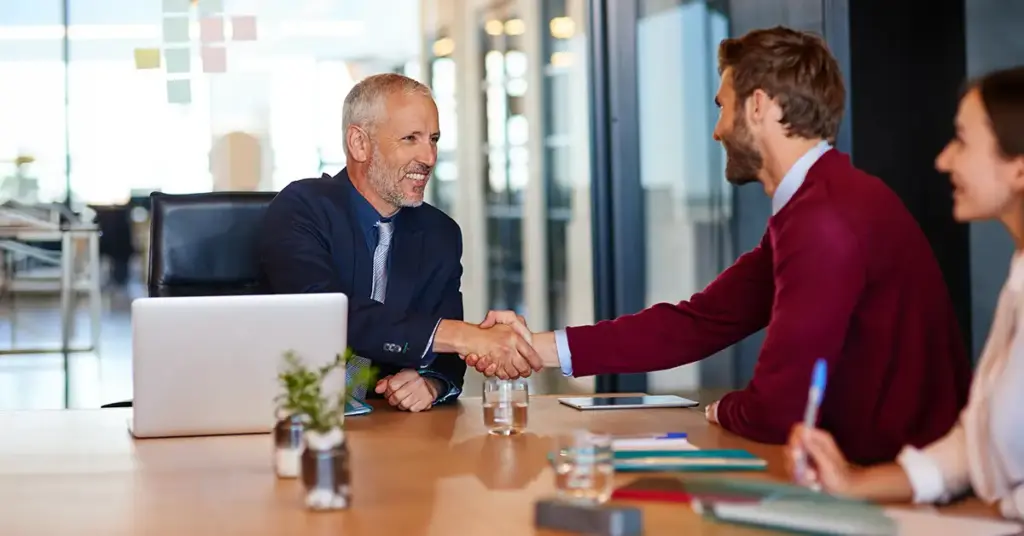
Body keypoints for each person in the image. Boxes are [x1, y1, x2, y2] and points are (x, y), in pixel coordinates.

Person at [468, 26, 973, 464]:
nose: (716, 131)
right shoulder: (821, 203)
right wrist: (534, 349)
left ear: (757, 106)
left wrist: (721, 411)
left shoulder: (825, 218)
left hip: (898, 485)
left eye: (722, 107)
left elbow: (776, 409)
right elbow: (698, 323)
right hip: (875, 463)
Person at [785, 65, 1024, 518]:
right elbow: (973, 447)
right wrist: (853, 483)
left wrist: (993, 513)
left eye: (962, 141)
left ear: (1018, 168)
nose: (943, 160)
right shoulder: (1019, 277)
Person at [259, 73, 541, 413]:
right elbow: (327, 316)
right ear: (359, 143)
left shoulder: (440, 233)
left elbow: (447, 357)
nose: (430, 157)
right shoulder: (302, 208)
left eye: (433, 139)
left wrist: (432, 383)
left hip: (388, 427)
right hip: (291, 417)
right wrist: (466, 335)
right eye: (411, 138)